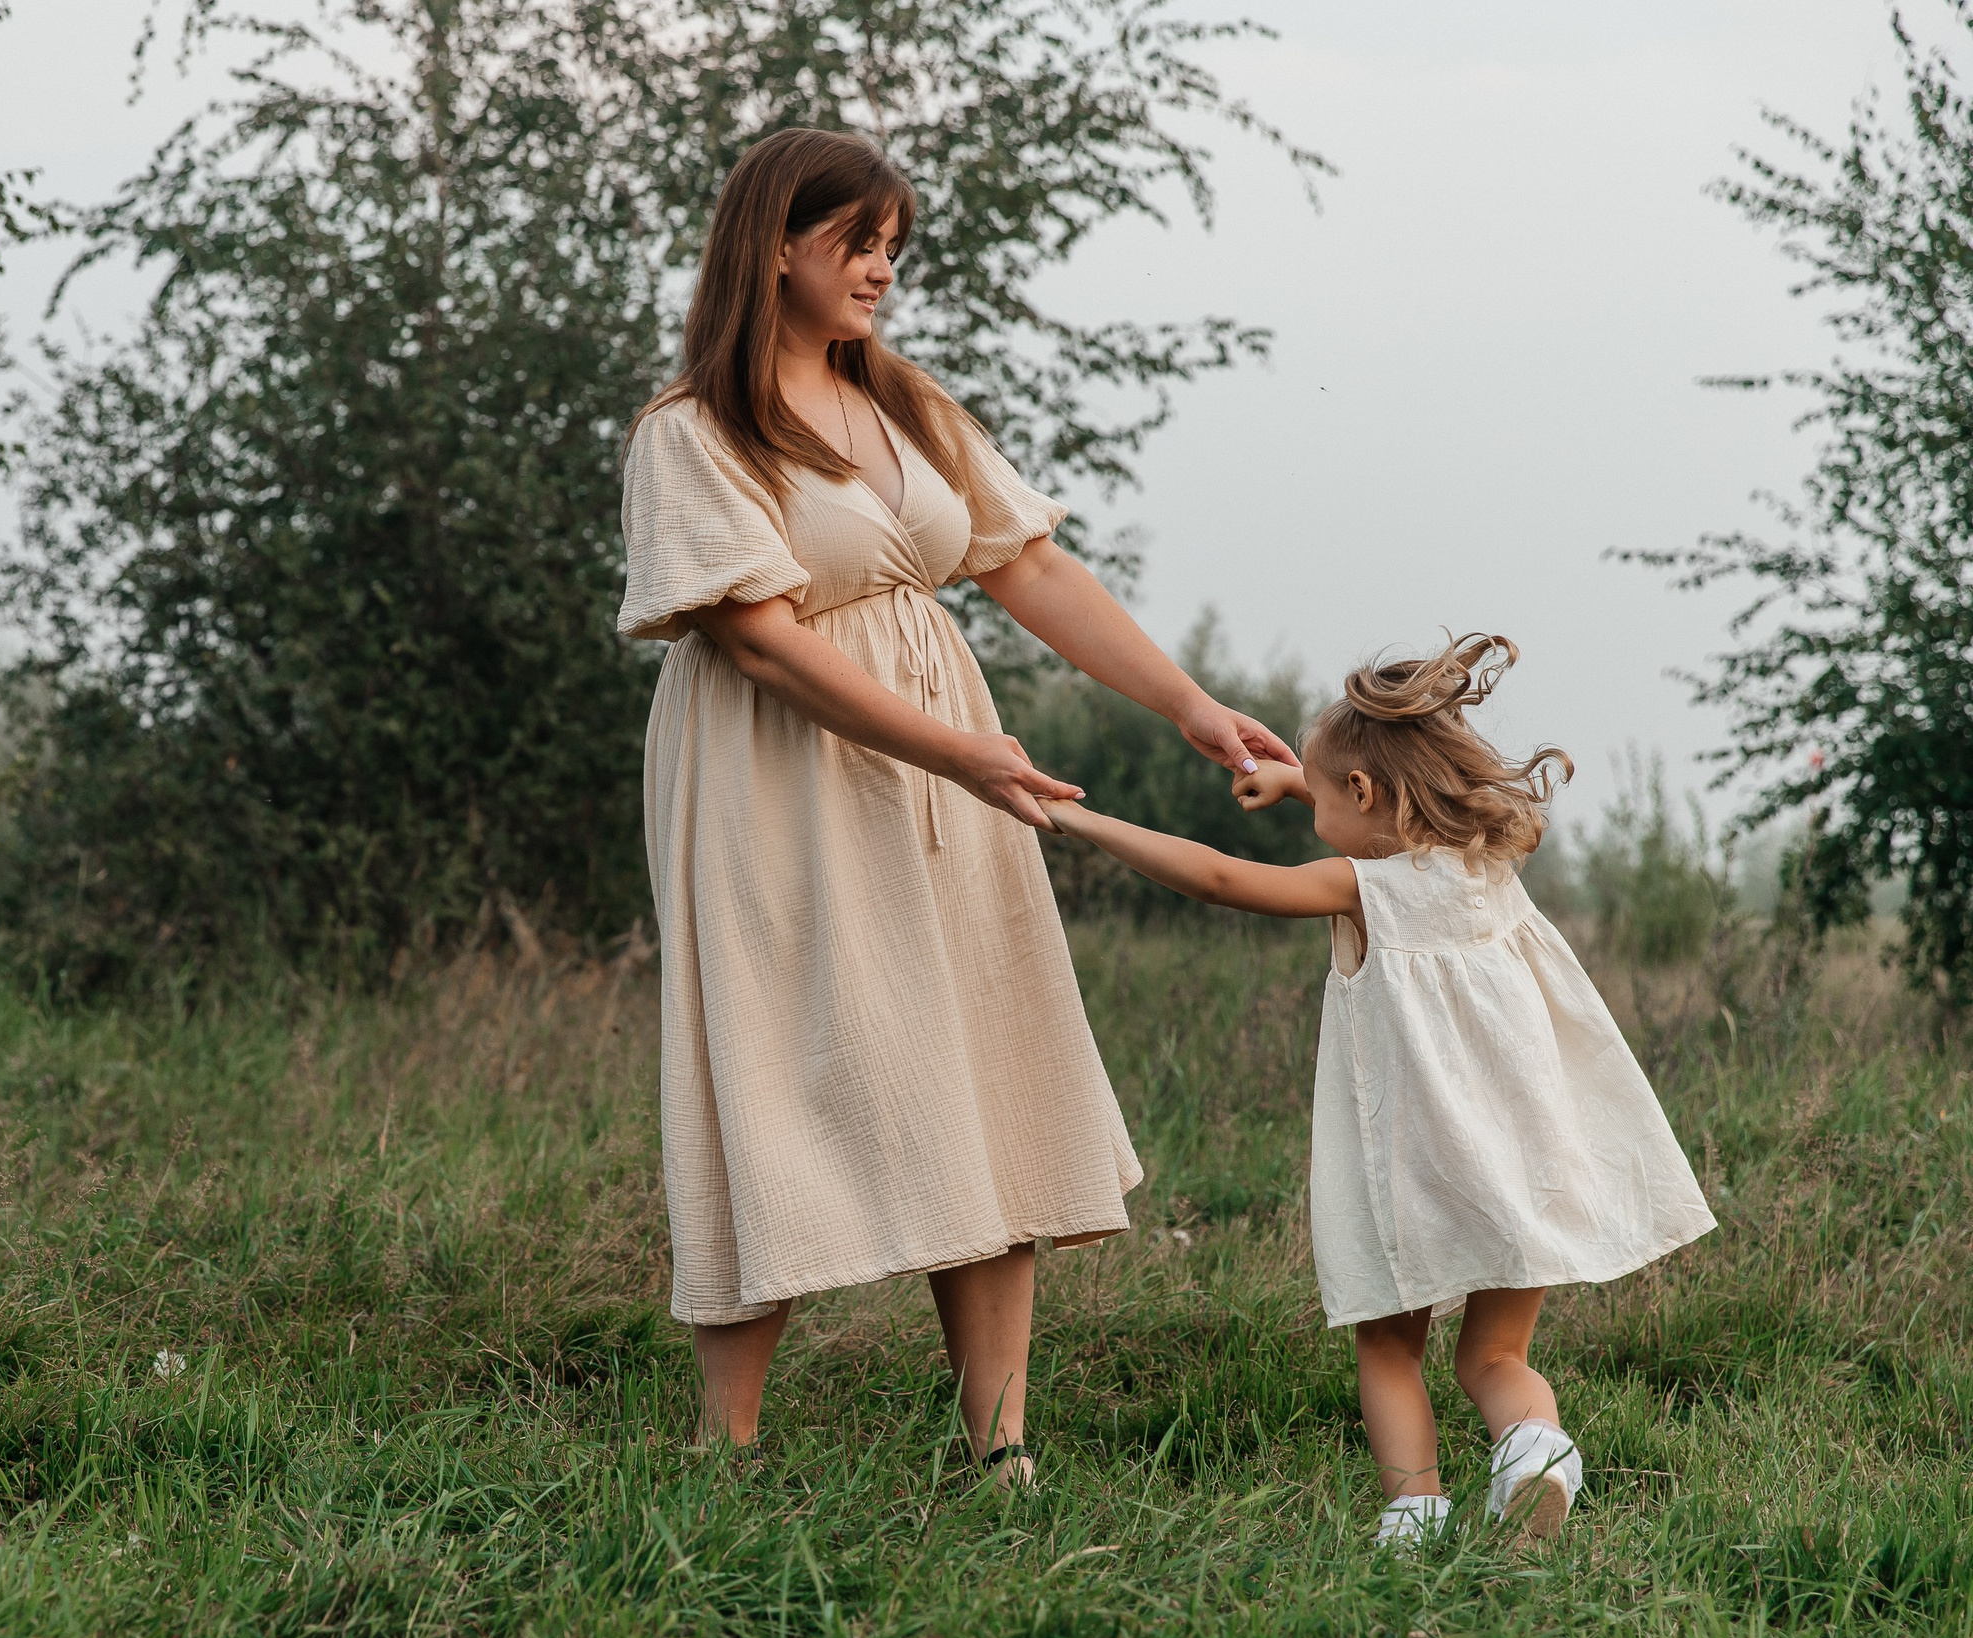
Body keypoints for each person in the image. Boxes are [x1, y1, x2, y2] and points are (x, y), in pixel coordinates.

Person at [619, 127, 1297, 1482]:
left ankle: (1000, 1451)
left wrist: (1187, 703)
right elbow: (756, 637)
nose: (879, 270)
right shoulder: (692, 432)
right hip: (778, 775)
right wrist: (951, 751)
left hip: (943, 763)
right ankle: (727, 1452)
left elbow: (1030, 568)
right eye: (855, 243)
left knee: (988, 1054)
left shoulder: (910, 403)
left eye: (891, 247)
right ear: (775, 248)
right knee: (781, 1058)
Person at [1038, 634, 1716, 1546]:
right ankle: (1535, 1451)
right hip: (1523, 1161)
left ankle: (1414, 1513)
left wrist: (1078, 821)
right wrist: (1299, 783)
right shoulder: (1488, 869)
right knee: (1497, 1355)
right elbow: (1390, 834)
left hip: (1414, 1171)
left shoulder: (1357, 891)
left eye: (1321, 795)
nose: (1312, 808)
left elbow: (1220, 877)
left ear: (1361, 794)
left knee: (1391, 1347)